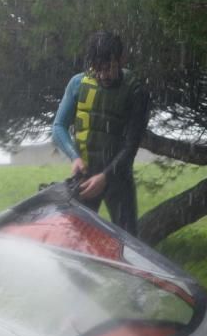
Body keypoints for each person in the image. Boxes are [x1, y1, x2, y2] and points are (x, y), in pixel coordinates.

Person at [52, 31, 151, 236]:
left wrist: (105, 177)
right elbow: (58, 127)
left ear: (120, 59)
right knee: (77, 243)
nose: (102, 75)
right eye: (97, 69)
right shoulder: (78, 84)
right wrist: (74, 157)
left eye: (108, 68)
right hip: (85, 179)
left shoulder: (136, 92)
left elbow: (130, 147)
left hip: (118, 180)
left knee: (128, 245)